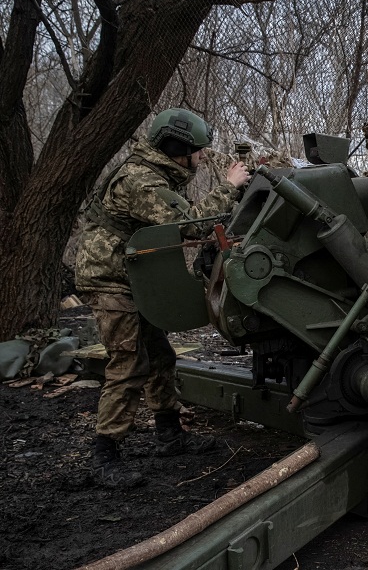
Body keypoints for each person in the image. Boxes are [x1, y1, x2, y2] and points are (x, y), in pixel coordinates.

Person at [74, 108, 250, 488]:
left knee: (161, 356)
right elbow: (188, 224)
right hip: (111, 279)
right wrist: (229, 186)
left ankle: (170, 435)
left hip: (134, 278)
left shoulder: (156, 174)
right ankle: (104, 455)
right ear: (176, 147)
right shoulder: (141, 180)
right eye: (197, 151)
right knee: (129, 364)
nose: (202, 157)